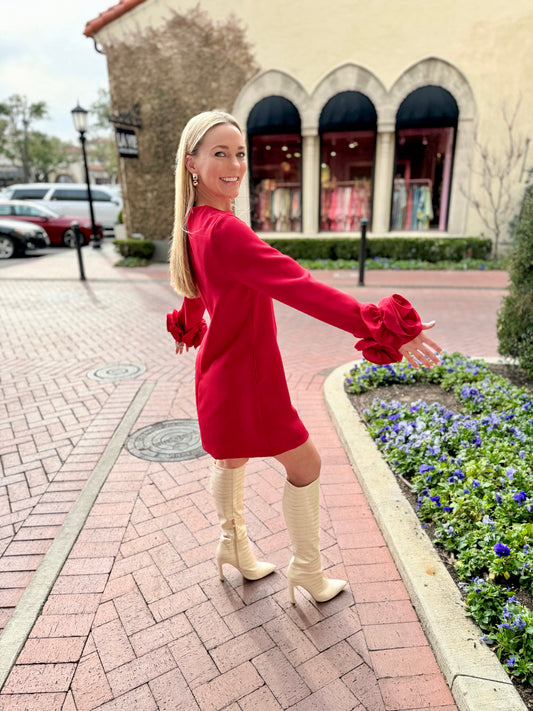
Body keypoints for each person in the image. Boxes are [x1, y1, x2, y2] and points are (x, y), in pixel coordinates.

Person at [167, 110, 442, 605]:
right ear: (191, 163)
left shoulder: (194, 223)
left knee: (231, 459)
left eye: (240, 153)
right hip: (248, 376)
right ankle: (307, 573)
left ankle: (234, 549)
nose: (234, 164)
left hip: (218, 372)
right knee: (306, 464)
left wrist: (189, 325)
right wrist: (381, 327)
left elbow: (193, 293)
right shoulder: (225, 230)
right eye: (219, 153)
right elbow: (301, 287)